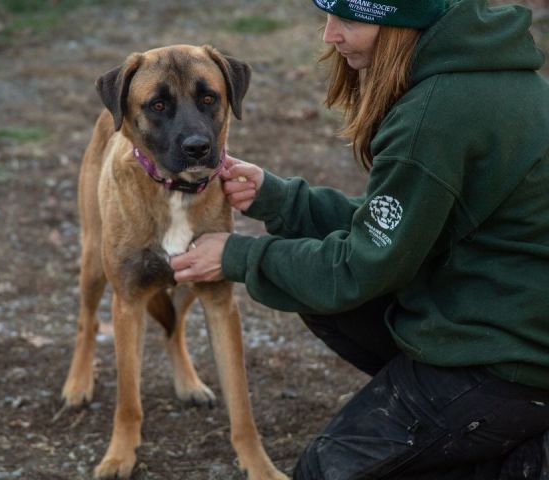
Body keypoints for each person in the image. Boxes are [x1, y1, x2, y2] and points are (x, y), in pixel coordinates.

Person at [170, 0, 549, 478]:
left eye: (349, 19)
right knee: (319, 296)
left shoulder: (434, 117)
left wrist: (239, 256)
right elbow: (399, 229)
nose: (329, 35)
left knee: (325, 469)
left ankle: (516, 447)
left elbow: (360, 269)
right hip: (510, 314)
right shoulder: (484, 77)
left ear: (399, 22)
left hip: (511, 362)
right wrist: (281, 201)